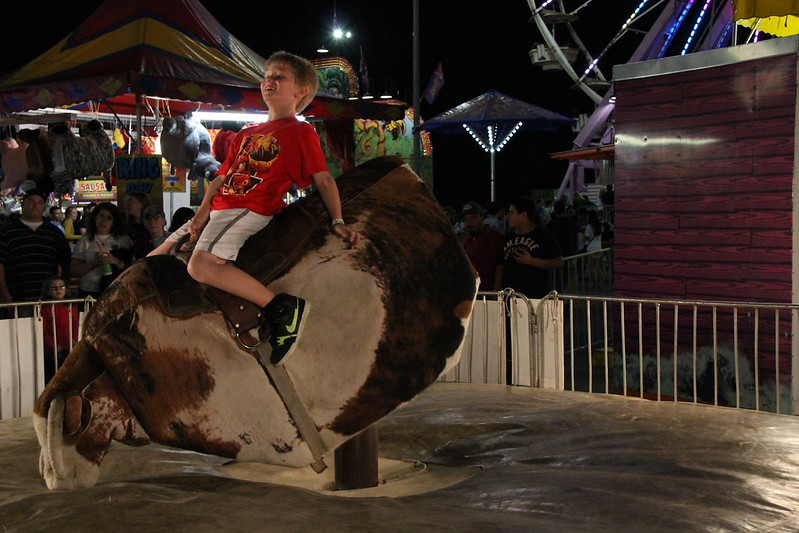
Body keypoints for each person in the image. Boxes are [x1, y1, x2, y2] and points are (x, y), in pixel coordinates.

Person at [150, 51, 360, 366]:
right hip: (220, 208)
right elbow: (220, 179)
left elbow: (324, 178)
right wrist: (201, 214)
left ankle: (281, 308)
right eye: (267, 76)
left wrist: (337, 220)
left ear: (300, 91)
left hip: (249, 207)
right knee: (153, 260)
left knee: (201, 266)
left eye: (279, 77)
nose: (269, 82)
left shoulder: (300, 131)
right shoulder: (246, 134)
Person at [0, 189, 71, 316]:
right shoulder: (7, 231)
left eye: (40, 203)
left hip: (50, 298)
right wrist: (4, 292)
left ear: (44, 206)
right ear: (23, 204)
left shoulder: (54, 232)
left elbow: (66, 263)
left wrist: (64, 290)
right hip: (18, 297)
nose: (35, 206)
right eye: (31, 202)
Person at [494, 197, 563, 299]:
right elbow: (501, 265)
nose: (508, 216)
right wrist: (497, 289)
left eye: (512, 212)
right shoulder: (508, 237)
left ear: (523, 215)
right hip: (510, 296)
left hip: (535, 295)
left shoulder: (542, 235)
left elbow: (558, 262)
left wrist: (531, 261)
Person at [70, 202, 134, 299]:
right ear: (95, 218)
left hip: (115, 291)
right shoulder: (85, 240)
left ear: (114, 222)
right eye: (101, 216)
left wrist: (116, 261)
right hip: (89, 291)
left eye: (109, 218)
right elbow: (73, 270)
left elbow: (133, 267)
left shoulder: (123, 240)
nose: (103, 221)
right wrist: (93, 263)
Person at [457, 201, 503, 292]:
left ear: (482, 218)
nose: (469, 222)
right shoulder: (460, 237)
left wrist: (496, 290)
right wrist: (460, 244)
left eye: (473, 218)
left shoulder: (494, 237)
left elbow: (500, 266)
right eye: (465, 219)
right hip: (465, 292)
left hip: (487, 291)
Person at [40, 275, 79, 382]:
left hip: (69, 349)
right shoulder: (45, 309)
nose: (59, 290)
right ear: (48, 291)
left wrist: (74, 340)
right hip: (52, 351)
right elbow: (43, 331)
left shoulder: (70, 307)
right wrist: (54, 346)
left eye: (62, 287)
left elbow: (75, 325)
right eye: (54, 287)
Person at [123, 192, 152, 259]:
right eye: (127, 202)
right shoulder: (125, 225)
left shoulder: (150, 225)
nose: (128, 204)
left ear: (142, 204)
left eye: (131, 202)